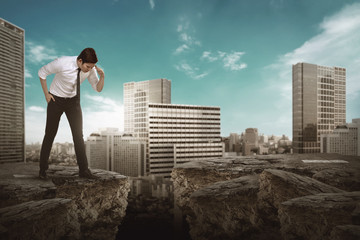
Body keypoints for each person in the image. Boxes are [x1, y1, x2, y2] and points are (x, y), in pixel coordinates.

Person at [38, 48, 105, 179]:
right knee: (50, 134)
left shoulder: (90, 70)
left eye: (92, 67)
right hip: (56, 99)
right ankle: (42, 170)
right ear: (80, 61)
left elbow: (98, 89)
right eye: (88, 66)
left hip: (73, 102)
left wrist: (102, 76)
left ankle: (84, 170)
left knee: (78, 135)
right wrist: (46, 94)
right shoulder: (62, 63)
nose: (90, 69)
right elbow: (42, 72)